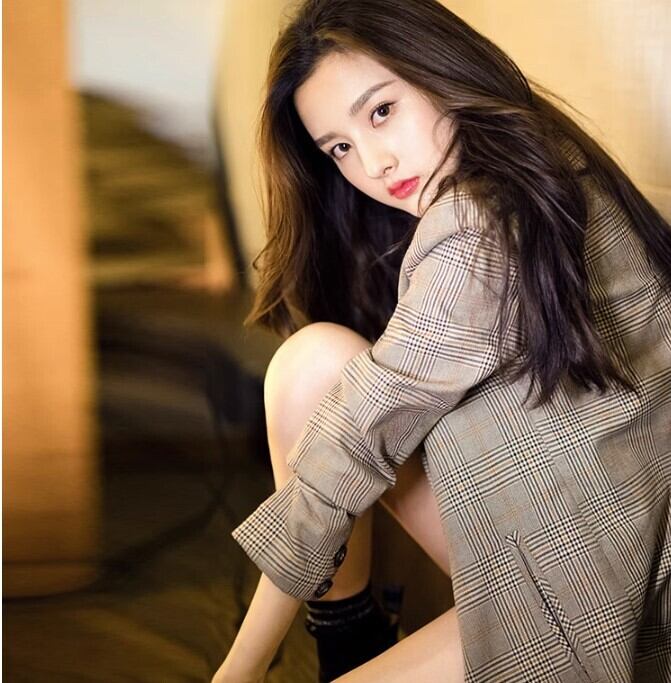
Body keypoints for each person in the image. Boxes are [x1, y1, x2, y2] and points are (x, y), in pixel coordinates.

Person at [212, 0, 671, 681]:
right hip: (583, 539)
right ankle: (349, 638)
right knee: (313, 363)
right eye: (339, 147)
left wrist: (241, 666)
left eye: (380, 111)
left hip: (607, 596)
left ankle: (346, 644)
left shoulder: (481, 223)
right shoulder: (539, 162)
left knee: (338, 410)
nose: (373, 162)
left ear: (438, 69)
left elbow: (352, 445)